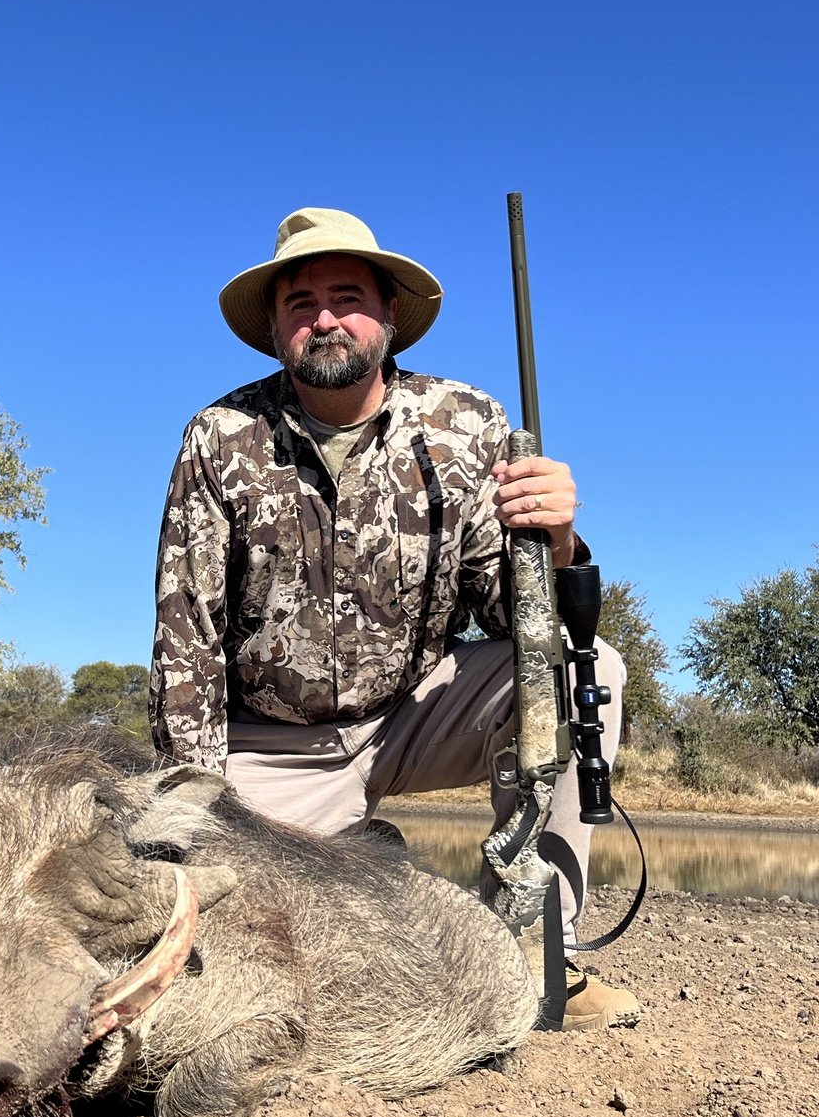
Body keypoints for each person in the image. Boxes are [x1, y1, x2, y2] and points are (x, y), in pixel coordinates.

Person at [149, 206, 639, 1031]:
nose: (325, 318)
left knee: (587, 670)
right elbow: (186, 644)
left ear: (388, 316)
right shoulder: (218, 437)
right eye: (301, 302)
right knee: (228, 946)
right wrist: (191, 821)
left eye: (347, 296)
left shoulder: (467, 423)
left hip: (414, 714)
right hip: (271, 746)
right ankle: (362, 858)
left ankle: (530, 946)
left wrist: (557, 538)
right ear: (275, 327)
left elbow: (504, 610)